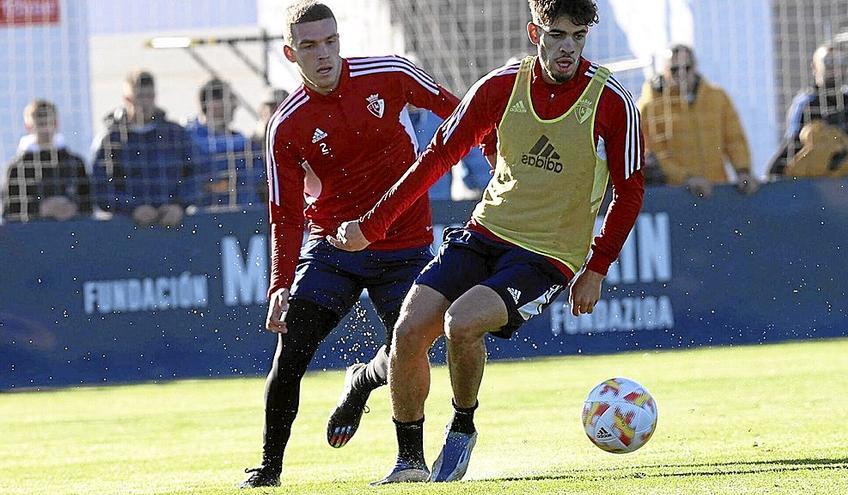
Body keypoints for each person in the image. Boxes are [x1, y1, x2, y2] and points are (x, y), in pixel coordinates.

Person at [331, 0, 644, 483]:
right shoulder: (500, 86)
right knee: (410, 331)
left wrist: (597, 268)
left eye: (577, 37)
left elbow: (630, 191)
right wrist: (373, 225)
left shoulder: (611, 101)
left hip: (548, 256)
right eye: (557, 34)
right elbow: (438, 156)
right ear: (533, 32)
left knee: (461, 323)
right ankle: (409, 463)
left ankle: (462, 426)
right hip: (485, 233)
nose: (568, 48)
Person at [239, 1, 461, 488]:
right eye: (310, 46)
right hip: (333, 250)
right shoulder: (286, 125)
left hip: (404, 242)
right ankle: (269, 469)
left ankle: (403, 452)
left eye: (331, 42)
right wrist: (279, 284)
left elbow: (461, 114)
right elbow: (285, 212)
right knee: (291, 351)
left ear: (341, 40)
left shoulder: (390, 73)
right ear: (290, 53)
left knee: (411, 349)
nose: (324, 54)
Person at [637, 44, 758, 197]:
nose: (681, 74)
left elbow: (734, 139)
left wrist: (743, 171)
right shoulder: (649, 106)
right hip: (677, 194)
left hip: (716, 189)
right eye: (674, 69)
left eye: (686, 67)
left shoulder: (717, 97)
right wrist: (687, 179)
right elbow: (655, 153)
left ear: (694, 67)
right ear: (664, 71)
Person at [91, 70, 197, 227]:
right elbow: (101, 189)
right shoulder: (111, 140)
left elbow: (195, 176)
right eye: (140, 97)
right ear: (127, 99)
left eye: (150, 96)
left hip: (173, 224)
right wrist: (132, 209)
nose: (145, 103)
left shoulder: (175, 134)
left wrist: (179, 205)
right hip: (126, 229)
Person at [767, 44, 848, 178]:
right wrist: (774, 174)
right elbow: (792, 145)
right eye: (829, 62)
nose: (835, 68)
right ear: (814, 67)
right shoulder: (807, 104)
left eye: (841, 62)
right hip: (820, 180)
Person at [2, 100, 91, 222]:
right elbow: (9, 212)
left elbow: (89, 204)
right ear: (29, 127)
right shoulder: (17, 168)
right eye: (41, 124)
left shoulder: (75, 163)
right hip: (33, 237)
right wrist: (40, 210)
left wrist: (72, 208)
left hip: (72, 235)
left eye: (50, 123)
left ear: (57, 124)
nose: (46, 129)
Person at [186, 78, 265, 209]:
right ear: (212, 103)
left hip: (247, 215)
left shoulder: (243, 141)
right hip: (204, 216)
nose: (235, 106)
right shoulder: (188, 139)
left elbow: (259, 179)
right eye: (230, 100)